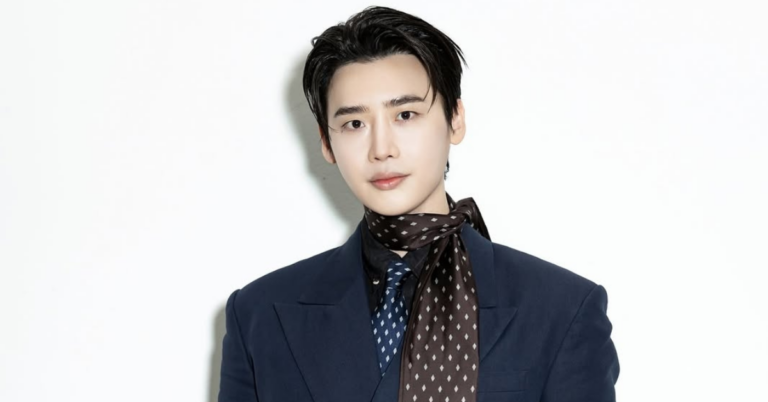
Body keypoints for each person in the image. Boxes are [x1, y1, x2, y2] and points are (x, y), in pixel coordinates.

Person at [218, 6, 619, 402]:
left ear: (455, 119)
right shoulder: (258, 314)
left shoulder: (561, 309)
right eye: (355, 124)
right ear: (327, 141)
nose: (381, 149)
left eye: (406, 115)